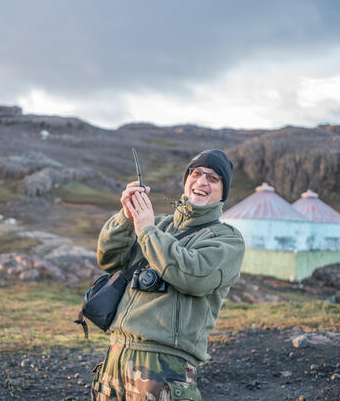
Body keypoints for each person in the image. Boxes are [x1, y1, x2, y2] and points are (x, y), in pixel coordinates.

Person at [92, 149, 246, 400]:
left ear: (223, 192)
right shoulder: (159, 225)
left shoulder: (227, 239)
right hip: (116, 355)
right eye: (196, 173)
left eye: (213, 178)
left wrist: (146, 230)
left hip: (165, 366)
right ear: (186, 180)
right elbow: (110, 259)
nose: (202, 182)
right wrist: (127, 217)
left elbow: (194, 276)